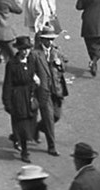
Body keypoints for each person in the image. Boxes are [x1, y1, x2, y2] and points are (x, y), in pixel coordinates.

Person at [3, 36, 42, 162]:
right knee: (22, 124)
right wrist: (7, 102)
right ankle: (24, 152)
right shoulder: (12, 64)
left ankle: (16, 137)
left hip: (30, 96)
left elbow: (34, 74)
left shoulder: (31, 60)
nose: (25, 51)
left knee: (30, 122)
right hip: (18, 97)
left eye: (27, 49)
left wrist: (36, 81)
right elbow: (7, 84)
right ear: (18, 49)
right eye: (22, 49)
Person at [31, 29, 69, 157]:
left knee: (57, 115)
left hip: (56, 89)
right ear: (41, 39)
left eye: (52, 39)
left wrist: (59, 62)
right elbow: (31, 70)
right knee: (49, 118)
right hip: (43, 90)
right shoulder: (35, 54)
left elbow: (64, 65)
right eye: (47, 39)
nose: (50, 41)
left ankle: (36, 127)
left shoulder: (56, 51)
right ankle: (51, 146)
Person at [76, 0, 100, 77]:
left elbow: (78, 7)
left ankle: (93, 62)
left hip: (88, 21)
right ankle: (94, 61)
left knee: (90, 45)